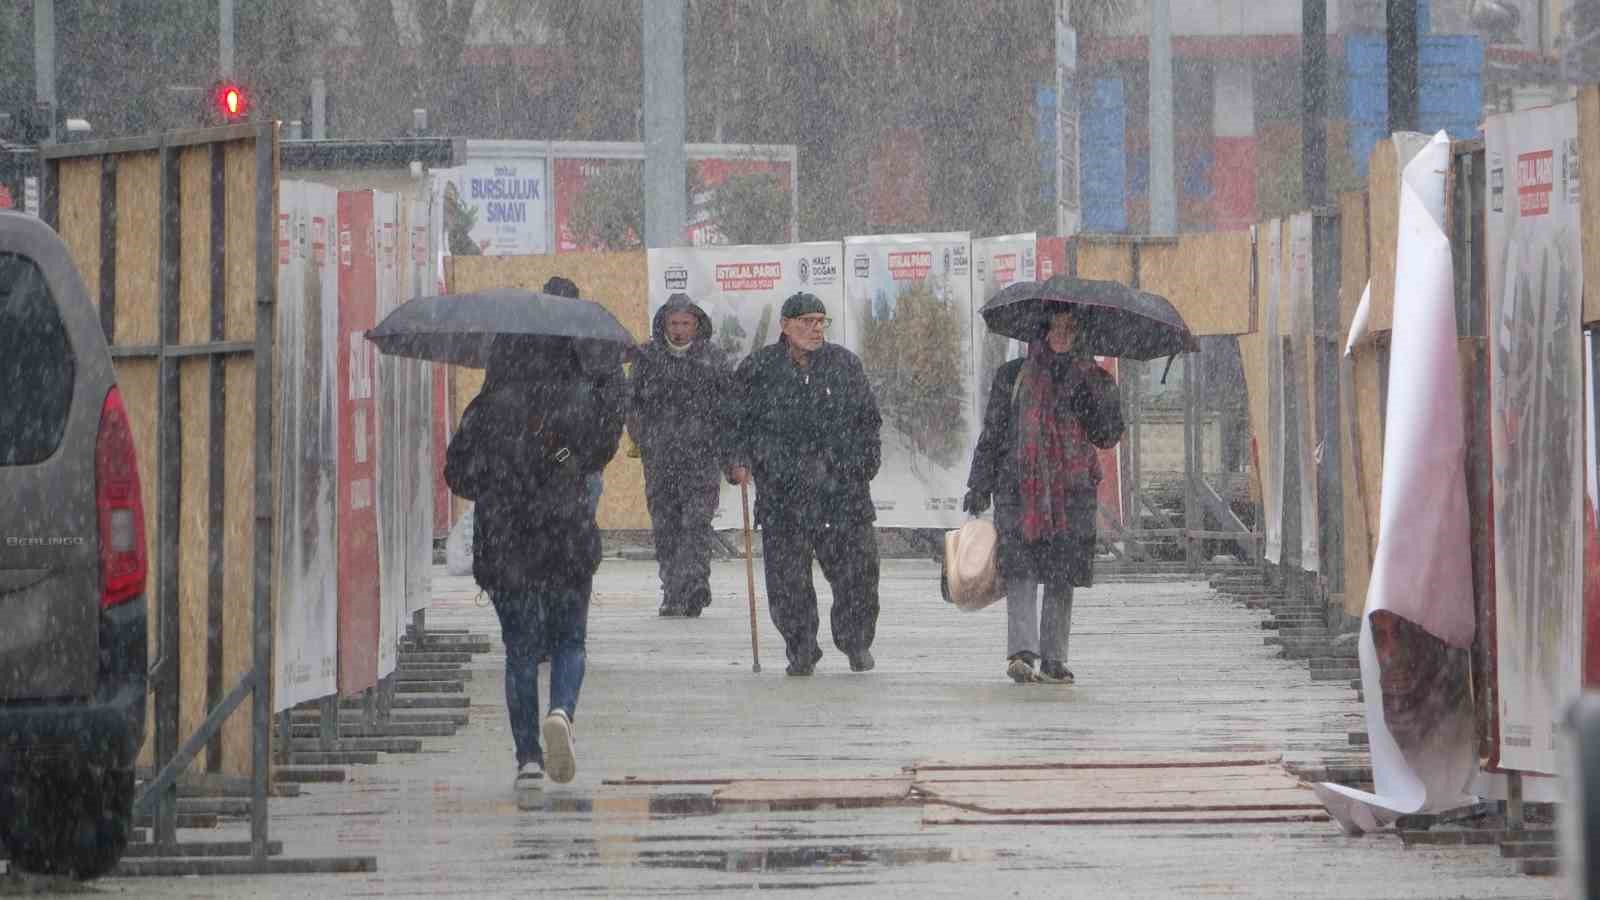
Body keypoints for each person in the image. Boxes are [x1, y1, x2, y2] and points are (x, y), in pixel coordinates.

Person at [444, 334, 623, 797]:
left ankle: (527, 757)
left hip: (507, 545)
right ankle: (561, 710)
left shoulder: (484, 411)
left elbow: (456, 474)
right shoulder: (580, 401)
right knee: (570, 640)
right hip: (566, 536)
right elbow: (601, 453)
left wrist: (499, 479)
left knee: (521, 651)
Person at [964, 308, 1123, 685]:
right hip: (1019, 488)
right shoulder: (1013, 376)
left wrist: (1101, 394)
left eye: (1070, 327)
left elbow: (1107, 435)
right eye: (1055, 326)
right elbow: (993, 433)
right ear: (1041, 330)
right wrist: (979, 485)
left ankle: (1054, 658)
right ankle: (1022, 654)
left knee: (1061, 574)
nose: (1062, 334)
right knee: (1020, 569)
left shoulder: (1092, 379)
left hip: (1072, 493)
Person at [728, 292, 883, 676]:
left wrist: (863, 464)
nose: (815, 329)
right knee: (787, 582)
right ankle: (801, 647)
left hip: (842, 492)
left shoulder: (845, 365)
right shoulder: (758, 369)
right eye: (806, 321)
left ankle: (856, 640)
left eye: (820, 321)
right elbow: (734, 423)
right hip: (784, 493)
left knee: (857, 576)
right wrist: (737, 460)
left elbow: (868, 421)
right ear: (785, 325)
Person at [629, 293, 735, 617]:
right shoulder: (646, 357)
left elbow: (730, 408)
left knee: (696, 522)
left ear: (696, 324)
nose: (679, 329)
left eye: (685, 323)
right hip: (660, 458)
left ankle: (695, 584)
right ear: (663, 323)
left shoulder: (713, 358)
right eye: (674, 323)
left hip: (701, 457)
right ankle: (672, 590)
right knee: (666, 525)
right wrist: (644, 437)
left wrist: (729, 452)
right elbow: (631, 403)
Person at [542, 275, 607, 518]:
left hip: (583, 462)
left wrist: (595, 457)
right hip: (537, 463)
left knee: (579, 535)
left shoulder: (593, 345)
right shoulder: (526, 345)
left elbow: (612, 402)